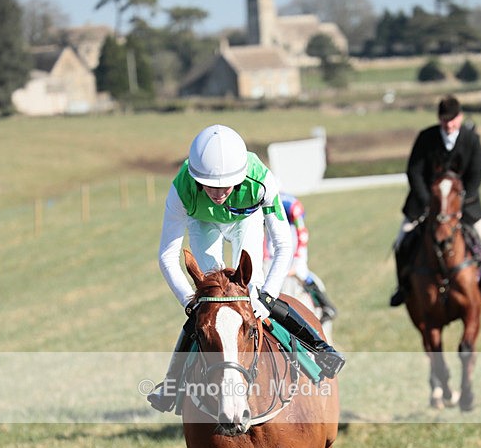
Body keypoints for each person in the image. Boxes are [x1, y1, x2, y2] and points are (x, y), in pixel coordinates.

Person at [147, 124, 345, 413]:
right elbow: (167, 255)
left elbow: (282, 245)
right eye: (209, 186)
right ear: (196, 178)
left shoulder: (261, 181)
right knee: (212, 304)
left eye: (224, 187)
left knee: (253, 296)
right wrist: (189, 301)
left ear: (240, 178)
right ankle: (172, 382)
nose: (217, 194)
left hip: (246, 221)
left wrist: (268, 294)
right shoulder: (182, 188)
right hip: (202, 224)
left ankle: (319, 349)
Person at [390, 94, 481, 306]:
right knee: (401, 241)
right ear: (439, 119)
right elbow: (415, 172)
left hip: (464, 204)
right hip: (425, 204)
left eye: (452, 120)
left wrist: (458, 203)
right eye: (444, 120)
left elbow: (475, 176)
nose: (449, 125)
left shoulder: (472, 140)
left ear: (460, 117)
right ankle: (402, 286)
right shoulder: (425, 138)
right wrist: (429, 202)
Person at [264, 191, 337, 322]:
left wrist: (297, 262)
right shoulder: (259, 203)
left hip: (293, 245)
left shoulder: (287, 203)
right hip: (273, 248)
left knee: (301, 272)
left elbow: (302, 233)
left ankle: (326, 306)